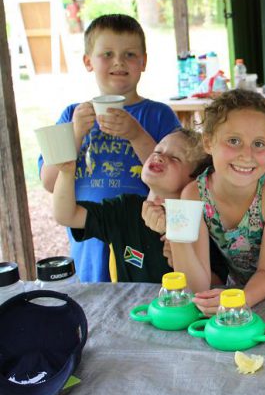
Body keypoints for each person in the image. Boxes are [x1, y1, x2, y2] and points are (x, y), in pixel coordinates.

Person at [39, 14, 181, 282]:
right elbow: (49, 181)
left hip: (144, 239)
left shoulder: (159, 115)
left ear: (144, 62)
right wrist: (76, 133)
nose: (118, 61)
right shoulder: (72, 115)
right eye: (107, 53)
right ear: (87, 62)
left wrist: (136, 135)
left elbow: (179, 180)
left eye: (129, 54)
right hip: (87, 238)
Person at [167, 90, 265, 313]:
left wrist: (239, 300)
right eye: (234, 141)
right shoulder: (194, 195)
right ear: (208, 142)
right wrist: (177, 238)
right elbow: (197, 285)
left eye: (259, 143)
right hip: (235, 296)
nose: (247, 154)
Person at [51, 129, 209, 283]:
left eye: (175, 158)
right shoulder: (123, 208)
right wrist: (66, 173)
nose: (159, 157)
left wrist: (182, 260)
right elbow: (67, 216)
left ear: (195, 180)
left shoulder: (201, 223)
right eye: (158, 150)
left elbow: (214, 283)